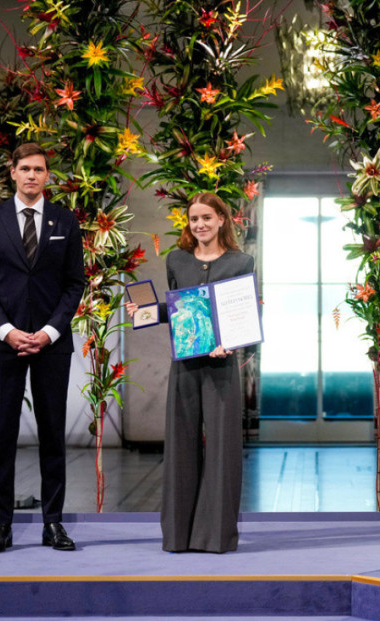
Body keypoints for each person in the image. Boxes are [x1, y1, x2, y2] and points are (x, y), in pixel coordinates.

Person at [0, 143, 85, 553]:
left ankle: (53, 524)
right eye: (25, 169)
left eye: (39, 169)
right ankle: (1, 525)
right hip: (4, 344)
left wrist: (49, 332)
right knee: (1, 436)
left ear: (47, 175)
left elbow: (75, 283)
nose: (32, 175)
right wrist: (7, 331)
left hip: (52, 345)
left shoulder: (66, 220)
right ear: (13, 173)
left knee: (53, 436)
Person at [126, 192, 254, 553]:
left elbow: (244, 312)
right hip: (184, 364)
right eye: (194, 219)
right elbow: (178, 308)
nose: (200, 225)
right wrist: (146, 312)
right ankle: (179, 536)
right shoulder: (177, 260)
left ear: (222, 219)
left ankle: (215, 536)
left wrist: (231, 343)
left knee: (222, 448)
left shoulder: (241, 262)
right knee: (181, 445)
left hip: (221, 366)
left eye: (206, 218)